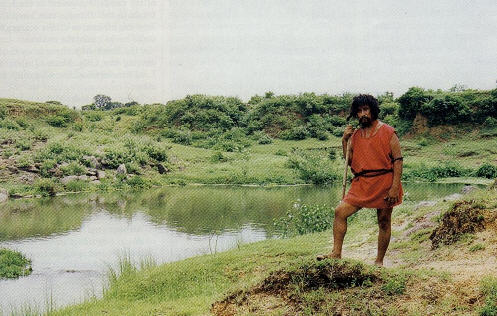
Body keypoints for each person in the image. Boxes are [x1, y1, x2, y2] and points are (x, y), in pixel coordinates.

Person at [318, 94, 403, 266]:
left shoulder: (388, 131)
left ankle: (379, 261)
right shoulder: (355, 136)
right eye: (359, 111)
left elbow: (398, 160)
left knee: (384, 221)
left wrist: (395, 187)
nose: (362, 114)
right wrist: (344, 140)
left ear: (373, 110)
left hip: (384, 181)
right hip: (361, 182)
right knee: (340, 212)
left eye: (365, 109)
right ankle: (336, 253)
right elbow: (349, 162)